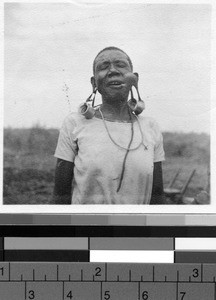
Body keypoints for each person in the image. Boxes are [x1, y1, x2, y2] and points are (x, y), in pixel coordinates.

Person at [53, 46, 165, 204]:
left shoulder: (150, 127)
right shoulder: (74, 123)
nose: (113, 70)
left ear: (135, 78)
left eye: (120, 64)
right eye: (103, 67)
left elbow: (158, 196)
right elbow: (60, 196)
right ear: (94, 83)